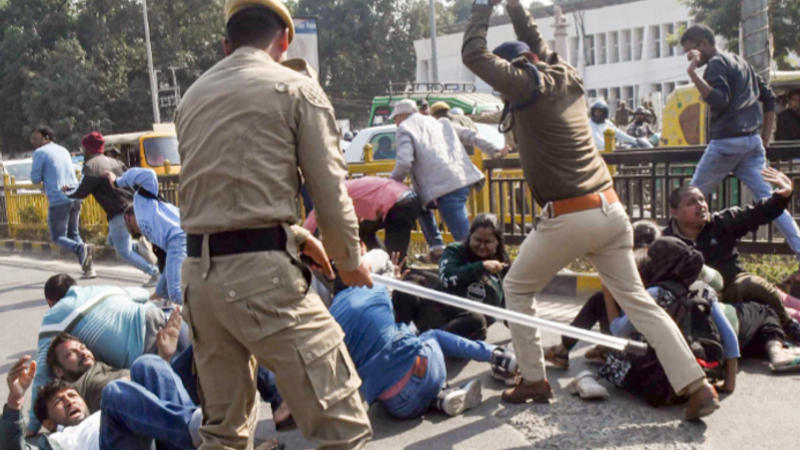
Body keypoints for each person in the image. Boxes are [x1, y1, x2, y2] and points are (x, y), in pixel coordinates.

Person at [462, 0, 718, 420]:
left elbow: (473, 54)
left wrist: (481, 9)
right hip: (611, 210)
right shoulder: (564, 75)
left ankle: (533, 378)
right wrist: (516, 8)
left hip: (572, 214)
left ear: (513, 71)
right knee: (638, 302)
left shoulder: (525, 85)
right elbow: (539, 43)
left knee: (518, 289)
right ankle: (696, 384)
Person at [175, 0, 373, 447]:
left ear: (226, 45)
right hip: (264, 279)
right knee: (343, 425)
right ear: (284, 39)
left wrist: (297, 236)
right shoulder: (295, 88)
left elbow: (221, 192)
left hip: (199, 282)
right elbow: (330, 190)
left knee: (223, 433)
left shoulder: (191, 98)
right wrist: (348, 261)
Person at [327, 256, 518, 419]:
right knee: (432, 335)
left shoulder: (331, 316)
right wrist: (393, 280)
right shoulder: (374, 289)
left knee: (382, 394)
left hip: (399, 407)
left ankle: (439, 400)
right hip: (425, 370)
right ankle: (497, 355)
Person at [681, 25, 800, 269]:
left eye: (690, 51)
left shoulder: (714, 65)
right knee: (771, 200)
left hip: (726, 142)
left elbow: (719, 100)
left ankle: (676, 254)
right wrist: (764, 139)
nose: (689, 56)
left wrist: (693, 73)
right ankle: (799, 248)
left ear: (703, 44)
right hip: (751, 142)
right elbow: (768, 97)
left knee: (688, 199)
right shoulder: (740, 62)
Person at [26, 273, 187, 433]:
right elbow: (144, 294)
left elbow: (41, 375)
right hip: (170, 324)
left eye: (82, 346)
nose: (83, 351)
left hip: (159, 347)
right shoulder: (103, 289)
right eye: (70, 354)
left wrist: (31, 428)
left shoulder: (54, 317)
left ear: (50, 302)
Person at [662, 170, 800, 343]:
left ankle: (789, 326)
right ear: (674, 212)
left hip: (732, 288)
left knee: (753, 284)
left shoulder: (722, 222)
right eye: (691, 202)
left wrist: (783, 195)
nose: (700, 205)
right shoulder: (666, 241)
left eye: (702, 200)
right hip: (696, 299)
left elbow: (758, 213)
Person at [2, 355, 209, 450]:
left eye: (72, 396)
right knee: (113, 391)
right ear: (47, 423)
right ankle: (206, 429)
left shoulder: (99, 415)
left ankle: (200, 430)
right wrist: (15, 399)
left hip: (160, 439)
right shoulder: (53, 442)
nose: (68, 401)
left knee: (147, 364)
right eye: (58, 401)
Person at [390, 98, 506, 250]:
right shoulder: (440, 122)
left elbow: (404, 162)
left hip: (443, 188)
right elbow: (470, 135)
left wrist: (392, 182)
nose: (395, 123)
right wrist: (494, 150)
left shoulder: (405, 128)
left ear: (402, 115)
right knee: (418, 205)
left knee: (464, 236)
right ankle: (437, 247)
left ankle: (477, 261)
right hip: (460, 179)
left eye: (395, 118)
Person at [63, 132, 159, 284]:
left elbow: (81, 192)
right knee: (112, 241)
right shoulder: (115, 162)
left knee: (123, 251)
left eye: (83, 148)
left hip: (119, 212)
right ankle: (138, 246)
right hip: (132, 206)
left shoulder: (92, 166)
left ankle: (154, 273)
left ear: (88, 149)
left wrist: (66, 192)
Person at [105, 167, 185, 305]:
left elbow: (148, 175)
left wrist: (117, 182)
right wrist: (154, 297)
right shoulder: (151, 230)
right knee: (163, 293)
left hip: (178, 237)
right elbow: (167, 266)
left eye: (127, 226)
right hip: (176, 241)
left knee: (176, 294)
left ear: (128, 218)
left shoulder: (142, 201)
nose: (129, 230)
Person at [427, 214, 510, 340]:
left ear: (497, 242)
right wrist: (481, 266)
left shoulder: (502, 263)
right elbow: (447, 278)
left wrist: (519, 330)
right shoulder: (454, 251)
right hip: (445, 313)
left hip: (473, 323)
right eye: (477, 240)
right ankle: (428, 339)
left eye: (488, 242)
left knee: (476, 321)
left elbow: (509, 300)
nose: (482, 246)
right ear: (470, 236)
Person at [304, 176, 421, 263]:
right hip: (403, 198)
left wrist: (301, 240)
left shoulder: (335, 193)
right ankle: (380, 260)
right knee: (365, 230)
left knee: (395, 253)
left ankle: (401, 282)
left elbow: (312, 220)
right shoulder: (349, 188)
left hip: (398, 203)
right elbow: (355, 227)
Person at [29, 126, 95, 278]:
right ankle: (89, 268)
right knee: (74, 233)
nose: (33, 141)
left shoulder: (40, 153)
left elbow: (34, 179)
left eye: (36, 137)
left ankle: (80, 250)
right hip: (75, 195)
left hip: (58, 198)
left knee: (57, 236)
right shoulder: (63, 149)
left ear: (46, 138)